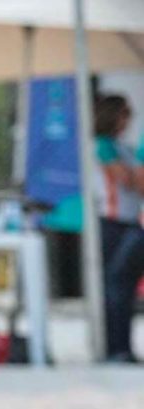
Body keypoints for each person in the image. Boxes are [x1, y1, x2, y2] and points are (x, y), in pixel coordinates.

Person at [93, 94, 144, 363]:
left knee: (122, 288)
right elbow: (128, 181)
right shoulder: (103, 146)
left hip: (129, 221)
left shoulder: (122, 147)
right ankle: (115, 347)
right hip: (111, 222)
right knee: (114, 286)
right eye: (125, 115)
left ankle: (122, 346)